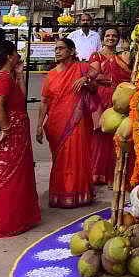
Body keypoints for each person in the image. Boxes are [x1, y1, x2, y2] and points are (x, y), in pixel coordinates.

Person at [0, 41, 41, 236]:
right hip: (10, 136)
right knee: (7, 180)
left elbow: (20, 99)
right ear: (9, 56)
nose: (18, 56)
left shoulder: (8, 76)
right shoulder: (2, 78)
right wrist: (6, 129)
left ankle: (15, 219)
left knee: (16, 177)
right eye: (16, 53)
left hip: (17, 135)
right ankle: (2, 222)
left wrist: (19, 74)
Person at [36, 37, 94, 208]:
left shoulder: (81, 68)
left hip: (77, 121)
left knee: (76, 157)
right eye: (56, 49)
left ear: (71, 51)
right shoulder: (51, 74)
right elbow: (45, 101)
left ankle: (79, 194)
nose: (58, 51)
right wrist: (39, 125)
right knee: (59, 160)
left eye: (61, 48)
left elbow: (97, 85)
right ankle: (59, 194)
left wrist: (86, 80)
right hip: (56, 123)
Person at [89, 25, 131, 185]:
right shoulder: (96, 56)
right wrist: (110, 79)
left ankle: (114, 175)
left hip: (119, 98)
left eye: (114, 36)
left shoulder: (123, 57)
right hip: (102, 97)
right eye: (107, 36)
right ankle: (97, 173)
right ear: (103, 39)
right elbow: (94, 75)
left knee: (118, 134)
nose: (111, 38)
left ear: (118, 39)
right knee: (101, 134)